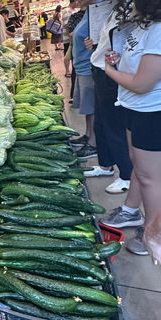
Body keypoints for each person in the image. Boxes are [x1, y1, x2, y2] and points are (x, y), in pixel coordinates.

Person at [103, 0, 161, 257]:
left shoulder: (158, 30)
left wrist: (109, 70)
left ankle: (154, 235)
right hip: (134, 108)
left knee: (151, 177)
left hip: (152, 112)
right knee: (138, 165)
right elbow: (136, 67)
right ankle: (131, 211)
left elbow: (142, 83)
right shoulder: (143, 26)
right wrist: (117, 60)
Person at [82, 1, 133, 195]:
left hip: (111, 72)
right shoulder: (112, 8)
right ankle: (105, 165)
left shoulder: (130, 9)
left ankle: (127, 175)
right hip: (100, 69)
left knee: (113, 126)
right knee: (101, 123)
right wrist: (94, 43)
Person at [69, 0, 98, 159]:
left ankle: (93, 144)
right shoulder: (89, 10)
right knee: (87, 108)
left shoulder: (99, 8)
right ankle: (88, 135)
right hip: (81, 66)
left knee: (91, 106)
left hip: (88, 66)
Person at [62, 0, 78, 77]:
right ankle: (67, 70)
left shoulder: (75, 10)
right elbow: (66, 26)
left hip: (73, 38)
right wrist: (70, 37)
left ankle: (73, 69)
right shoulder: (66, 11)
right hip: (68, 39)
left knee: (72, 55)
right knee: (67, 55)